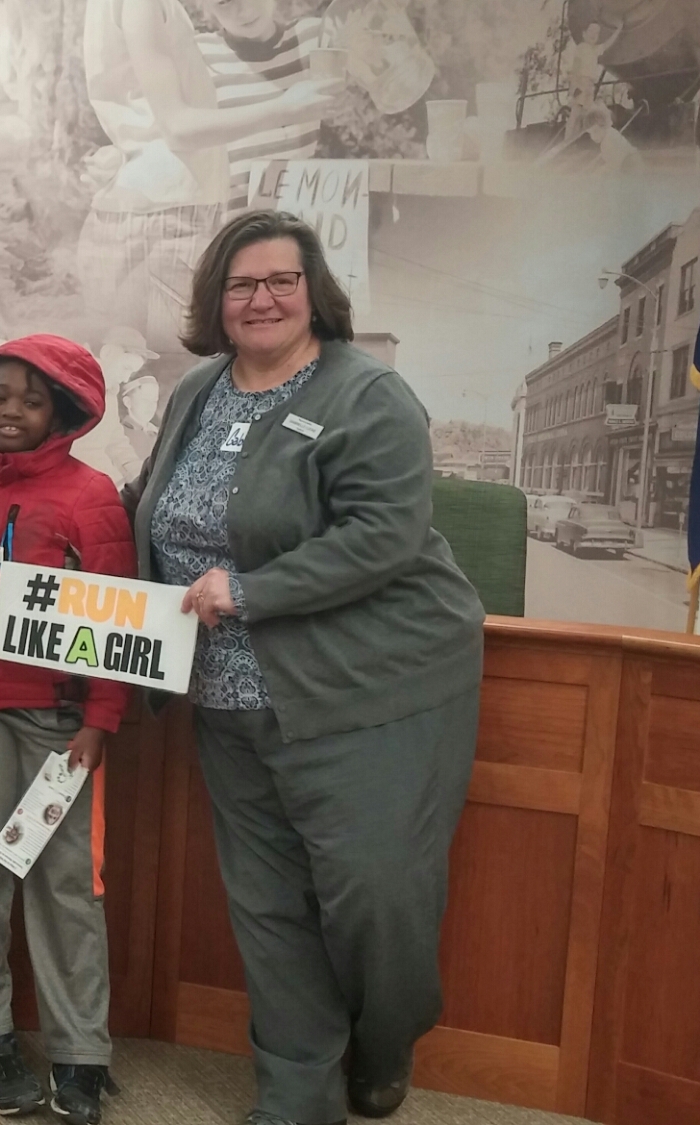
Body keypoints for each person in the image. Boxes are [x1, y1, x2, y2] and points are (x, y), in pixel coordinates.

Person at [124, 211, 483, 1125]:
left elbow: (384, 534)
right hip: (227, 696)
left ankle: (387, 1033)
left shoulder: (369, 395)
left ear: (314, 292)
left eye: (281, 281)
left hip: (365, 690)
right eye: (241, 284)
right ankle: (297, 1096)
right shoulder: (197, 389)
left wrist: (250, 590)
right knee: (267, 903)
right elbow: (145, 501)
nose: (262, 299)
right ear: (216, 300)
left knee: (376, 896)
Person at [0, 336, 134, 1125]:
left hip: (55, 722)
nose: (10, 411)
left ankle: (81, 1050)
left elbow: (116, 617)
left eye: (31, 399)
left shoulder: (91, 495)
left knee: (64, 880)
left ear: (64, 413)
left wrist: (101, 720)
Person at [78, 0, 341, 349]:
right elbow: (173, 124)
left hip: (299, 234)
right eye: (224, 3)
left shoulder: (316, 40)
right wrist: (124, 155)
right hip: (225, 235)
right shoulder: (199, 54)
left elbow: (389, 79)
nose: (244, 10)